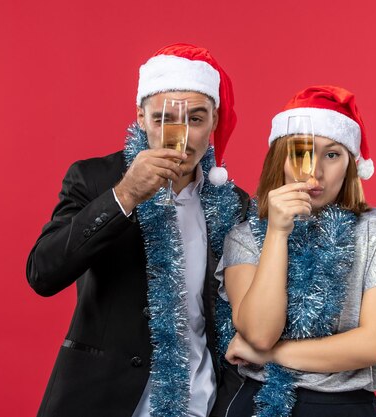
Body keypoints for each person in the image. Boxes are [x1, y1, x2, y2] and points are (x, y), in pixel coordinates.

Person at [26, 43, 248, 417]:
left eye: (196, 119)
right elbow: (42, 274)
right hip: (103, 398)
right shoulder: (95, 179)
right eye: (163, 119)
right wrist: (125, 194)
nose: (181, 135)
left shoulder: (234, 203)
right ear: (141, 118)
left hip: (199, 402)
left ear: (214, 120)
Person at [216, 86, 376, 417]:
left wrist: (271, 356)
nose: (315, 172)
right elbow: (261, 334)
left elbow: (375, 345)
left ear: (350, 163)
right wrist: (277, 232)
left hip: (344, 407)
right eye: (301, 153)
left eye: (332, 155)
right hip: (259, 403)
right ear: (281, 159)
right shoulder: (244, 236)